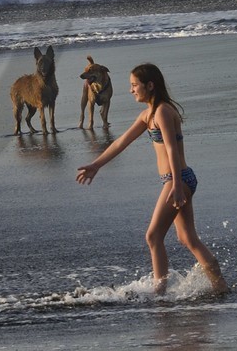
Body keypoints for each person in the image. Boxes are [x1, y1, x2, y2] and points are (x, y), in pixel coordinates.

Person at [75, 64, 228, 296]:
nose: (131, 90)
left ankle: (160, 293)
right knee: (187, 238)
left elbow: (171, 149)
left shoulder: (163, 112)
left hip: (177, 179)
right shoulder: (148, 114)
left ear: (150, 85)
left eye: (134, 85)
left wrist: (177, 186)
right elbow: (121, 142)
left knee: (153, 236)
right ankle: (220, 286)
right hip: (178, 179)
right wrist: (96, 165)